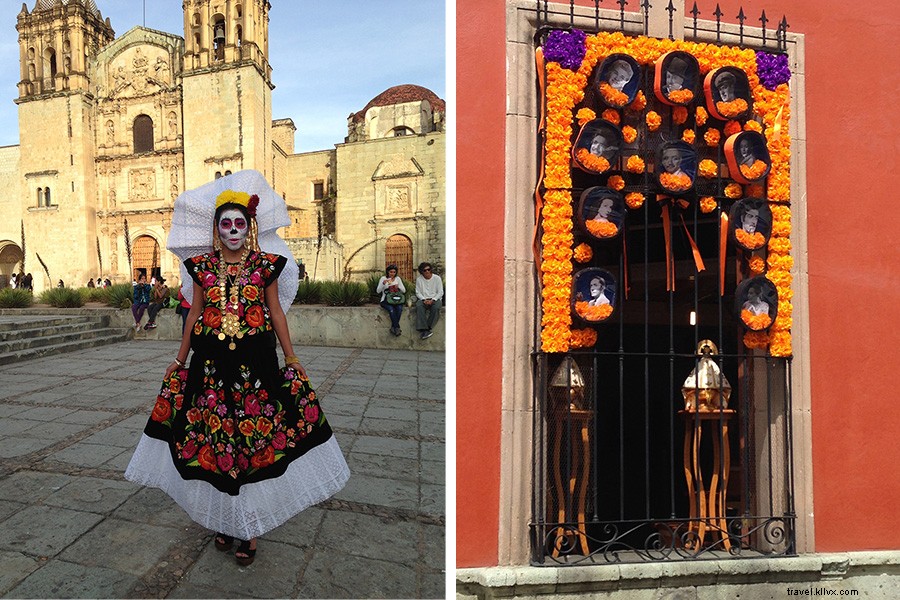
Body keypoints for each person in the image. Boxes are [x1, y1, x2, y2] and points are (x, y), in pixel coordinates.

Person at [125, 177, 349, 567]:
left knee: (251, 445)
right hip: (210, 368)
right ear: (216, 229)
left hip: (255, 370)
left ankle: (249, 528)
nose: (232, 231)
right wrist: (179, 359)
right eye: (225, 224)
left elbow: (275, 312)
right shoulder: (200, 267)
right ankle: (225, 521)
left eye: (239, 223)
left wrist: (291, 357)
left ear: (250, 227)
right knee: (217, 445)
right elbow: (194, 315)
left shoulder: (266, 266)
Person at [415, 261, 443, 340]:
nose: (427, 271)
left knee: (436, 307)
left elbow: (440, 292)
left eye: (428, 269)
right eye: (425, 270)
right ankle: (424, 329)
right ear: (422, 272)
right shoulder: (419, 279)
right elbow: (418, 292)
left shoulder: (437, 278)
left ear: (431, 270)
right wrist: (423, 299)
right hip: (424, 299)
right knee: (419, 306)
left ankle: (427, 329)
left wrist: (433, 299)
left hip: (435, 298)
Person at [376, 264, 406, 336]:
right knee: (391, 309)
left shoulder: (398, 279)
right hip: (386, 300)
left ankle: (393, 327)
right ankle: (397, 328)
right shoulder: (383, 278)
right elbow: (378, 291)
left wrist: (398, 286)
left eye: (394, 272)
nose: (392, 274)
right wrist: (383, 284)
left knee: (399, 309)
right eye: (391, 272)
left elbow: (404, 290)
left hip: (396, 300)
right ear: (388, 272)